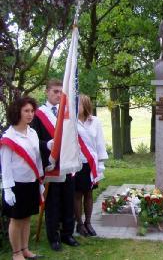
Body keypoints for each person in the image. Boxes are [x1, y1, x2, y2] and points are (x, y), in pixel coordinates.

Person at [31, 79, 79, 251]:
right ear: (47, 92)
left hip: (67, 164)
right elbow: (33, 140)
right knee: (53, 202)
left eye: (61, 92)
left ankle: (68, 234)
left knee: (68, 200)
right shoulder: (38, 115)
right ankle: (54, 237)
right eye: (55, 91)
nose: (59, 95)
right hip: (50, 166)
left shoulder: (66, 113)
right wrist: (46, 145)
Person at [1, 97, 44, 260]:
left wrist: (40, 181)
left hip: (31, 182)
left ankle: (25, 249)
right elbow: (5, 166)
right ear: (17, 112)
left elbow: (37, 158)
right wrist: (7, 190)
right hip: (16, 185)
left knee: (26, 218)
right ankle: (16, 253)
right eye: (26, 111)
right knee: (16, 220)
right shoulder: (8, 138)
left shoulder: (32, 133)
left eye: (32, 111)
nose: (30, 114)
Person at [75, 94, 108, 236]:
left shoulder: (95, 121)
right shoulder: (70, 122)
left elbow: (100, 143)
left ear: (86, 105)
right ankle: (79, 224)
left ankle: (88, 222)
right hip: (77, 164)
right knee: (77, 195)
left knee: (89, 193)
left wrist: (101, 164)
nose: (76, 107)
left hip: (91, 164)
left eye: (79, 104)